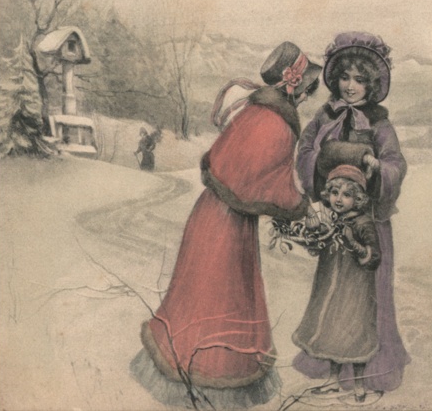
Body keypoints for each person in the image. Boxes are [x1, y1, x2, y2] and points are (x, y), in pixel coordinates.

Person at [134, 41, 322, 406]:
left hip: (212, 215)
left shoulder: (256, 112)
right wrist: (302, 208)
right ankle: (210, 383)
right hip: (227, 227)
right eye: (306, 89)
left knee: (198, 296)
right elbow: (260, 183)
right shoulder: (275, 123)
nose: (306, 97)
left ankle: (187, 369)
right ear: (292, 85)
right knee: (219, 299)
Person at [294, 31, 410, 393]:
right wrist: (323, 163)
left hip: (367, 224)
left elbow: (396, 164)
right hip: (335, 222)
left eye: (359, 79)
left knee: (365, 300)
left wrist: (377, 168)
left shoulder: (379, 123)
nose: (350, 86)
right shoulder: (324, 116)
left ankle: (361, 376)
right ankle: (333, 372)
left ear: (371, 84)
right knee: (333, 297)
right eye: (344, 77)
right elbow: (304, 152)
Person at [292, 164, 381, 403]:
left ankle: (359, 385)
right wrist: (311, 235)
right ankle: (333, 381)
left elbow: (374, 258)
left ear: (358, 199)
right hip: (331, 283)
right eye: (334, 193)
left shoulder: (363, 223)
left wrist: (353, 243)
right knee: (333, 328)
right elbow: (319, 246)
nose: (339, 199)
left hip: (356, 288)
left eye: (347, 195)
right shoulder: (331, 219)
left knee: (356, 330)